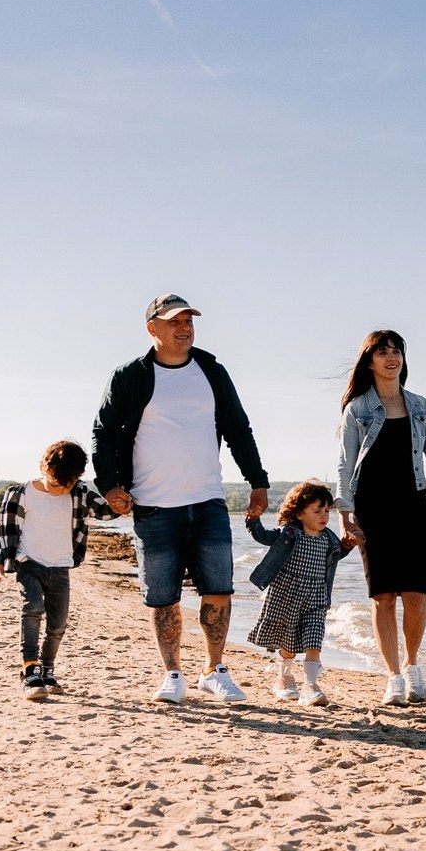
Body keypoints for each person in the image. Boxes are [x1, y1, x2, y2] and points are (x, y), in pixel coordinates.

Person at [93, 293, 270, 705]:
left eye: (189, 319)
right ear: (152, 328)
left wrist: (258, 482)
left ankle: (214, 669)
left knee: (219, 590)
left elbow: (238, 428)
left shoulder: (211, 370)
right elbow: (102, 432)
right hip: (154, 505)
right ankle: (172, 674)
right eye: (174, 320)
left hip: (208, 499)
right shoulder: (130, 376)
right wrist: (110, 485)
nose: (184, 326)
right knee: (163, 596)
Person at [337, 329, 426, 706]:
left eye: (397, 351)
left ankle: (413, 667)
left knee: (417, 597)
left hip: (412, 506)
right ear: (369, 360)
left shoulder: (420, 406)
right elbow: (344, 465)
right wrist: (345, 513)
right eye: (383, 352)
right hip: (372, 509)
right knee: (383, 597)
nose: (392, 358)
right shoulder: (357, 409)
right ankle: (392, 677)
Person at [0, 440, 110, 697]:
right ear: (45, 468)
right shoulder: (20, 493)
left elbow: (106, 511)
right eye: (56, 483)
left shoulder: (79, 493)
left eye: (66, 485)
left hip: (60, 567)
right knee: (32, 609)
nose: (60, 490)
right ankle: (30, 670)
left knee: (58, 625)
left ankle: (47, 670)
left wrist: (123, 500)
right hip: (28, 563)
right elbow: (3, 529)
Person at [245, 481, 354, 705]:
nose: (324, 516)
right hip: (286, 596)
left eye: (327, 511)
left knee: (314, 639)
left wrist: (350, 544)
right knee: (289, 643)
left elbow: (334, 557)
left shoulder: (328, 538)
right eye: (317, 511)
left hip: (316, 596)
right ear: (299, 513)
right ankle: (283, 677)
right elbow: (262, 536)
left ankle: (311, 686)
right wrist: (253, 519)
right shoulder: (289, 533)